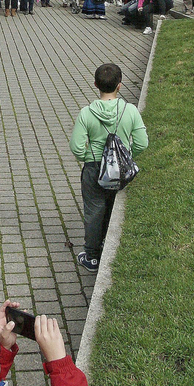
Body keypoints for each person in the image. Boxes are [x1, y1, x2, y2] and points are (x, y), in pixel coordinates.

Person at [70, 62, 148, 272]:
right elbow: (142, 142)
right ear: (120, 85)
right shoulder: (130, 110)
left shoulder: (86, 113)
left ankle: (92, 256)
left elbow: (76, 147)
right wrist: (127, 156)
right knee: (112, 207)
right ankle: (109, 244)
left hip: (94, 168)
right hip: (120, 169)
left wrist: (91, 157)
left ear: (95, 84)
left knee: (94, 210)